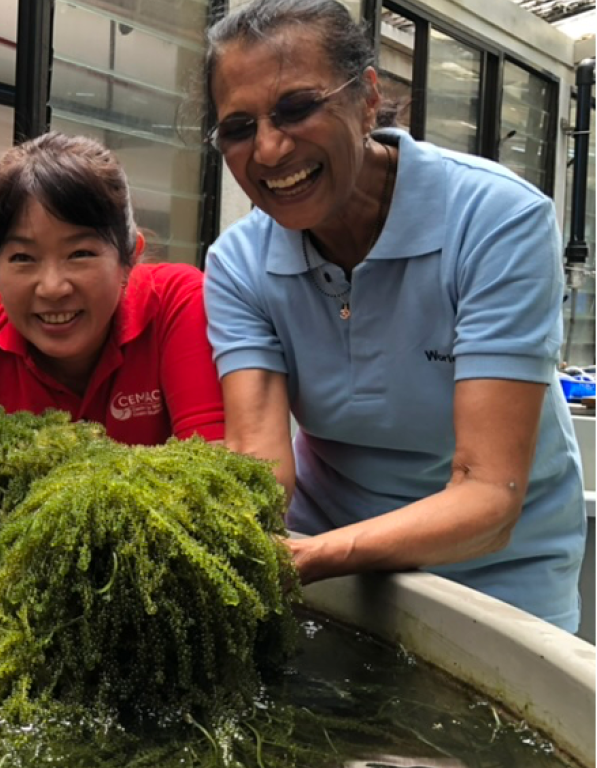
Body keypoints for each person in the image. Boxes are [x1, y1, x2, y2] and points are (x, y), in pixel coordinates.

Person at [200, 0, 585, 630]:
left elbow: (489, 494)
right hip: (329, 569)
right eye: (239, 127)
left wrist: (315, 556)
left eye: (297, 107)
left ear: (368, 98)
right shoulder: (239, 265)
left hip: (499, 579)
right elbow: (258, 464)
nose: (268, 150)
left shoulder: (496, 221)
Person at [0, 132, 225, 446]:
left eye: (81, 254)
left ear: (129, 257)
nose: (52, 288)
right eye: (22, 257)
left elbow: (217, 466)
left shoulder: (175, 300)